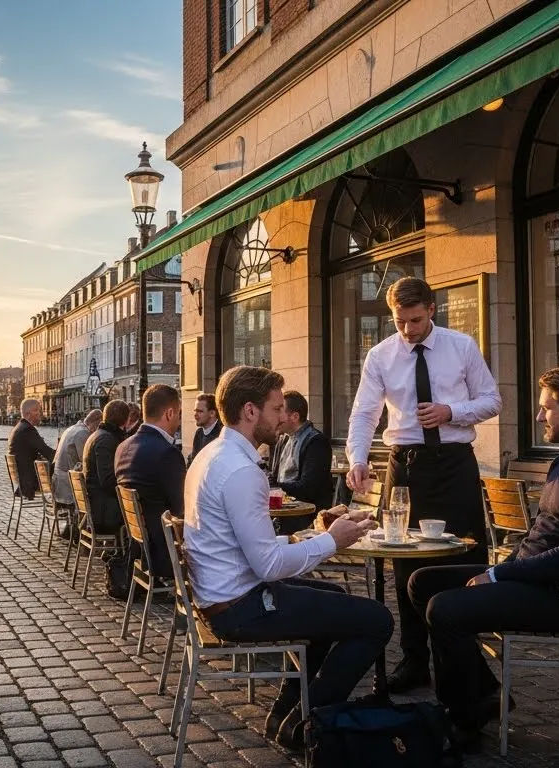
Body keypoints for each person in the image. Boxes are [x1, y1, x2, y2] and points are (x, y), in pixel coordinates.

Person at [406, 364, 559, 750]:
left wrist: (499, 576)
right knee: (423, 581)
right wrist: (502, 569)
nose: (538, 415)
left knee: (446, 609)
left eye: (547, 407)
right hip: (536, 579)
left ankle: (462, 721)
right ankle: (484, 695)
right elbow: (540, 535)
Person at [187, 365, 392, 750]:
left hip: (223, 594)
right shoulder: (241, 470)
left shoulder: (211, 454)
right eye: (277, 408)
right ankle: (307, 722)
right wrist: (332, 543)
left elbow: (251, 548)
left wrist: (312, 535)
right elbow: (267, 566)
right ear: (250, 411)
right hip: (240, 607)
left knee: (335, 598)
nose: (284, 417)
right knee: (377, 620)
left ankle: (285, 714)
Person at [345, 276, 501, 693]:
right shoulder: (380, 355)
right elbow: (364, 413)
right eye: (400, 322)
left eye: (415, 320)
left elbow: (492, 399)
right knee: (404, 566)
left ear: (431, 309)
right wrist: (357, 459)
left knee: (462, 558)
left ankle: (459, 661)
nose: (409, 330)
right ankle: (415, 662)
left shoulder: (461, 346)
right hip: (406, 466)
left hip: (454, 464)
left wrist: (453, 411)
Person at [116, 385, 185, 574]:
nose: (179, 421)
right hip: (164, 549)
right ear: (170, 413)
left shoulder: (123, 447)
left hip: (139, 544)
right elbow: (182, 509)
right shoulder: (167, 453)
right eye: (179, 414)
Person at [267, 390, 333, 532]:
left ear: (295, 416)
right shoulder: (282, 439)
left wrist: (274, 487)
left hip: (306, 520)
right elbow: (274, 477)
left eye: (280, 411)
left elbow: (309, 488)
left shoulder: (316, 442)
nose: (276, 416)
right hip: (282, 515)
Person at [83, 400, 129, 534]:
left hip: (97, 505)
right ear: (125, 421)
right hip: (104, 512)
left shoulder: (97, 435)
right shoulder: (106, 439)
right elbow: (107, 480)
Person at [7, 398, 55, 499]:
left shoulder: (19, 427)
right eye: (37, 410)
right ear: (29, 413)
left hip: (20, 482)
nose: (39, 414)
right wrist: (61, 455)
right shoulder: (28, 430)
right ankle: (63, 508)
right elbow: (47, 452)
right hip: (28, 483)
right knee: (63, 472)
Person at [54, 409, 102, 506]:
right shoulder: (82, 433)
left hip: (59, 481)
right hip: (69, 486)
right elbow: (86, 462)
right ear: (97, 423)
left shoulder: (71, 428)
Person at [190, 393, 221, 464]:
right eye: (195, 411)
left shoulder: (222, 434)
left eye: (200, 411)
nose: (195, 415)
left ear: (212, 413)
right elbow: (194, 461)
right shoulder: (199, 433)